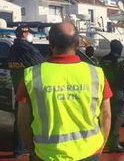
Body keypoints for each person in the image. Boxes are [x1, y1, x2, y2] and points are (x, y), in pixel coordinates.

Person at [16, 22, 112, 161]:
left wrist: (32, 150)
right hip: (90, 151)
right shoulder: (96, 73)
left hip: (47, 154)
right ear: (78, 43)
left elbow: (22, 122)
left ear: (50, 44)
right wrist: (101, 144)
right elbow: (106, 115)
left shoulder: (31, 76)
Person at [7, 25, 45, 157]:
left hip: (18, 87)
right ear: (24, 34)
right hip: (31, 89)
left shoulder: (13, 48)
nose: (31, 36)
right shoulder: (26, 48)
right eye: (29, 33)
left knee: (20, 119)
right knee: (32, 120)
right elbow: (42, 64)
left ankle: (18, 149)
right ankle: (29, 147)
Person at [100, 40, 124, 153]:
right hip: (117, 93)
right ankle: (114, 144)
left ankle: (103, 141)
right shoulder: (121, 61)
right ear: (120, 49)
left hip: (104, 92)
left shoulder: (104, 59)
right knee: (116, 119)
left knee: (104, 117)